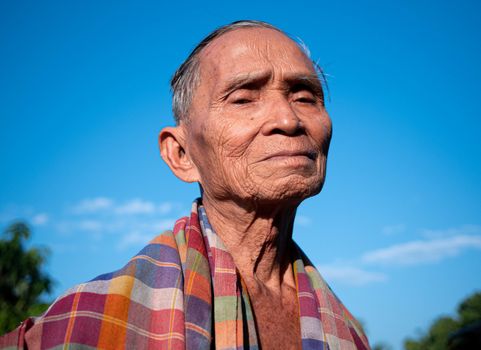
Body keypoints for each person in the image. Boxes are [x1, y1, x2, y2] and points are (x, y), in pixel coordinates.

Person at [0, 20, 370, 349]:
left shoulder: (347, 332)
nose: (288, 119)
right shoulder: (81, 323)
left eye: (305, 97)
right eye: (243, 98)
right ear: (181, 154)